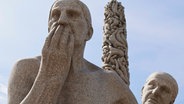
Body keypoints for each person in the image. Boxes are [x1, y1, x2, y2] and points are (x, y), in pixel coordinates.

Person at [8, 0, 137, 104]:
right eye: (55, 15)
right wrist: (49, 78)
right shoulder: (25, 69)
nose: (62, 20)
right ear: (49, 27)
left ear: (89, 33)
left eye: (72, 14)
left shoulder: (108, 82)